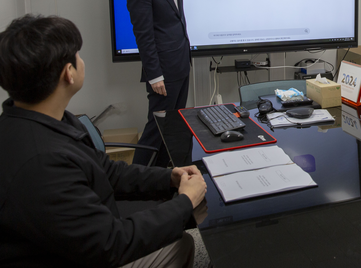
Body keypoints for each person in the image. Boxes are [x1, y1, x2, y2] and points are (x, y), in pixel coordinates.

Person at [0, 14, 207, 267]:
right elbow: (111, 244)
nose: (81, 60)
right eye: (78, 55)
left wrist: (169, 177)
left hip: (86, 230)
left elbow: (107, 171)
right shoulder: (42, 163)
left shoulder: (46, 119)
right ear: (69, 73)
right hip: (92, 251)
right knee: (182, 242)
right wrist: (185, 202)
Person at [127, 0, 258, 165]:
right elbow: (143, 36)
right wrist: (155, 76)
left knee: (175, 126)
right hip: (163, 75)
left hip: (179, 66)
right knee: (156, 127)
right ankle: (135, 177)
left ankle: (168, 171)